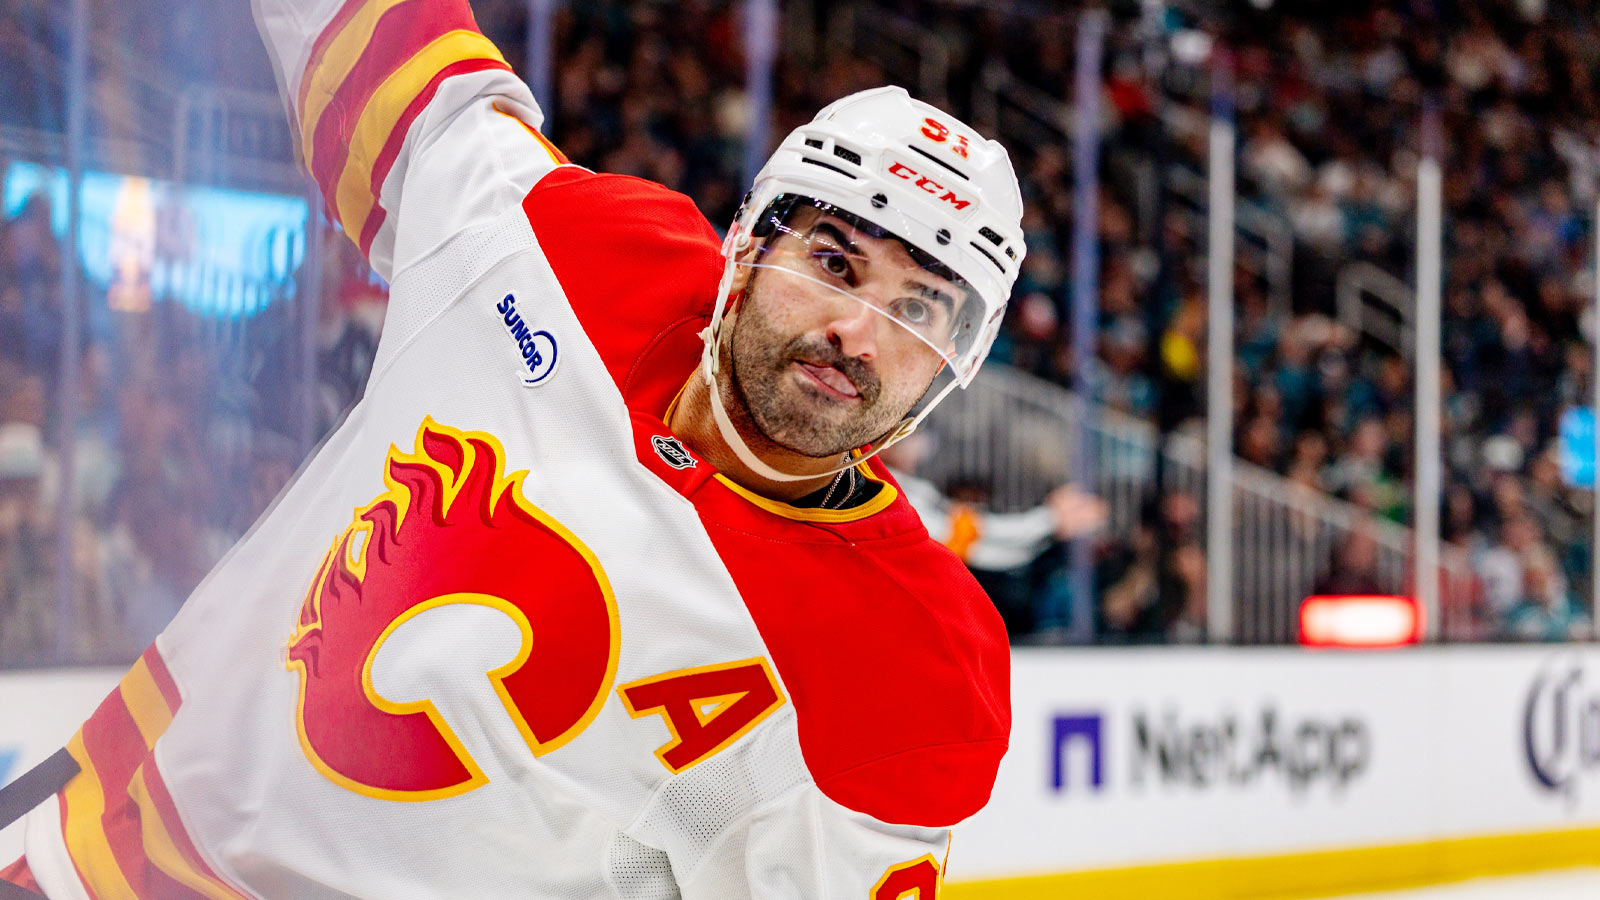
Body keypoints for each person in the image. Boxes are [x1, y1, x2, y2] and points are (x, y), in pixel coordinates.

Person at [3, 0, 1027, 897]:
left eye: (920, 311)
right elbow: (376, 36)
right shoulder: (565, 248)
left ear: (953, 364)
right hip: (89, 856)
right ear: (750, 241)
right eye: (834, 261)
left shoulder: (911, 672)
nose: (859, 331)